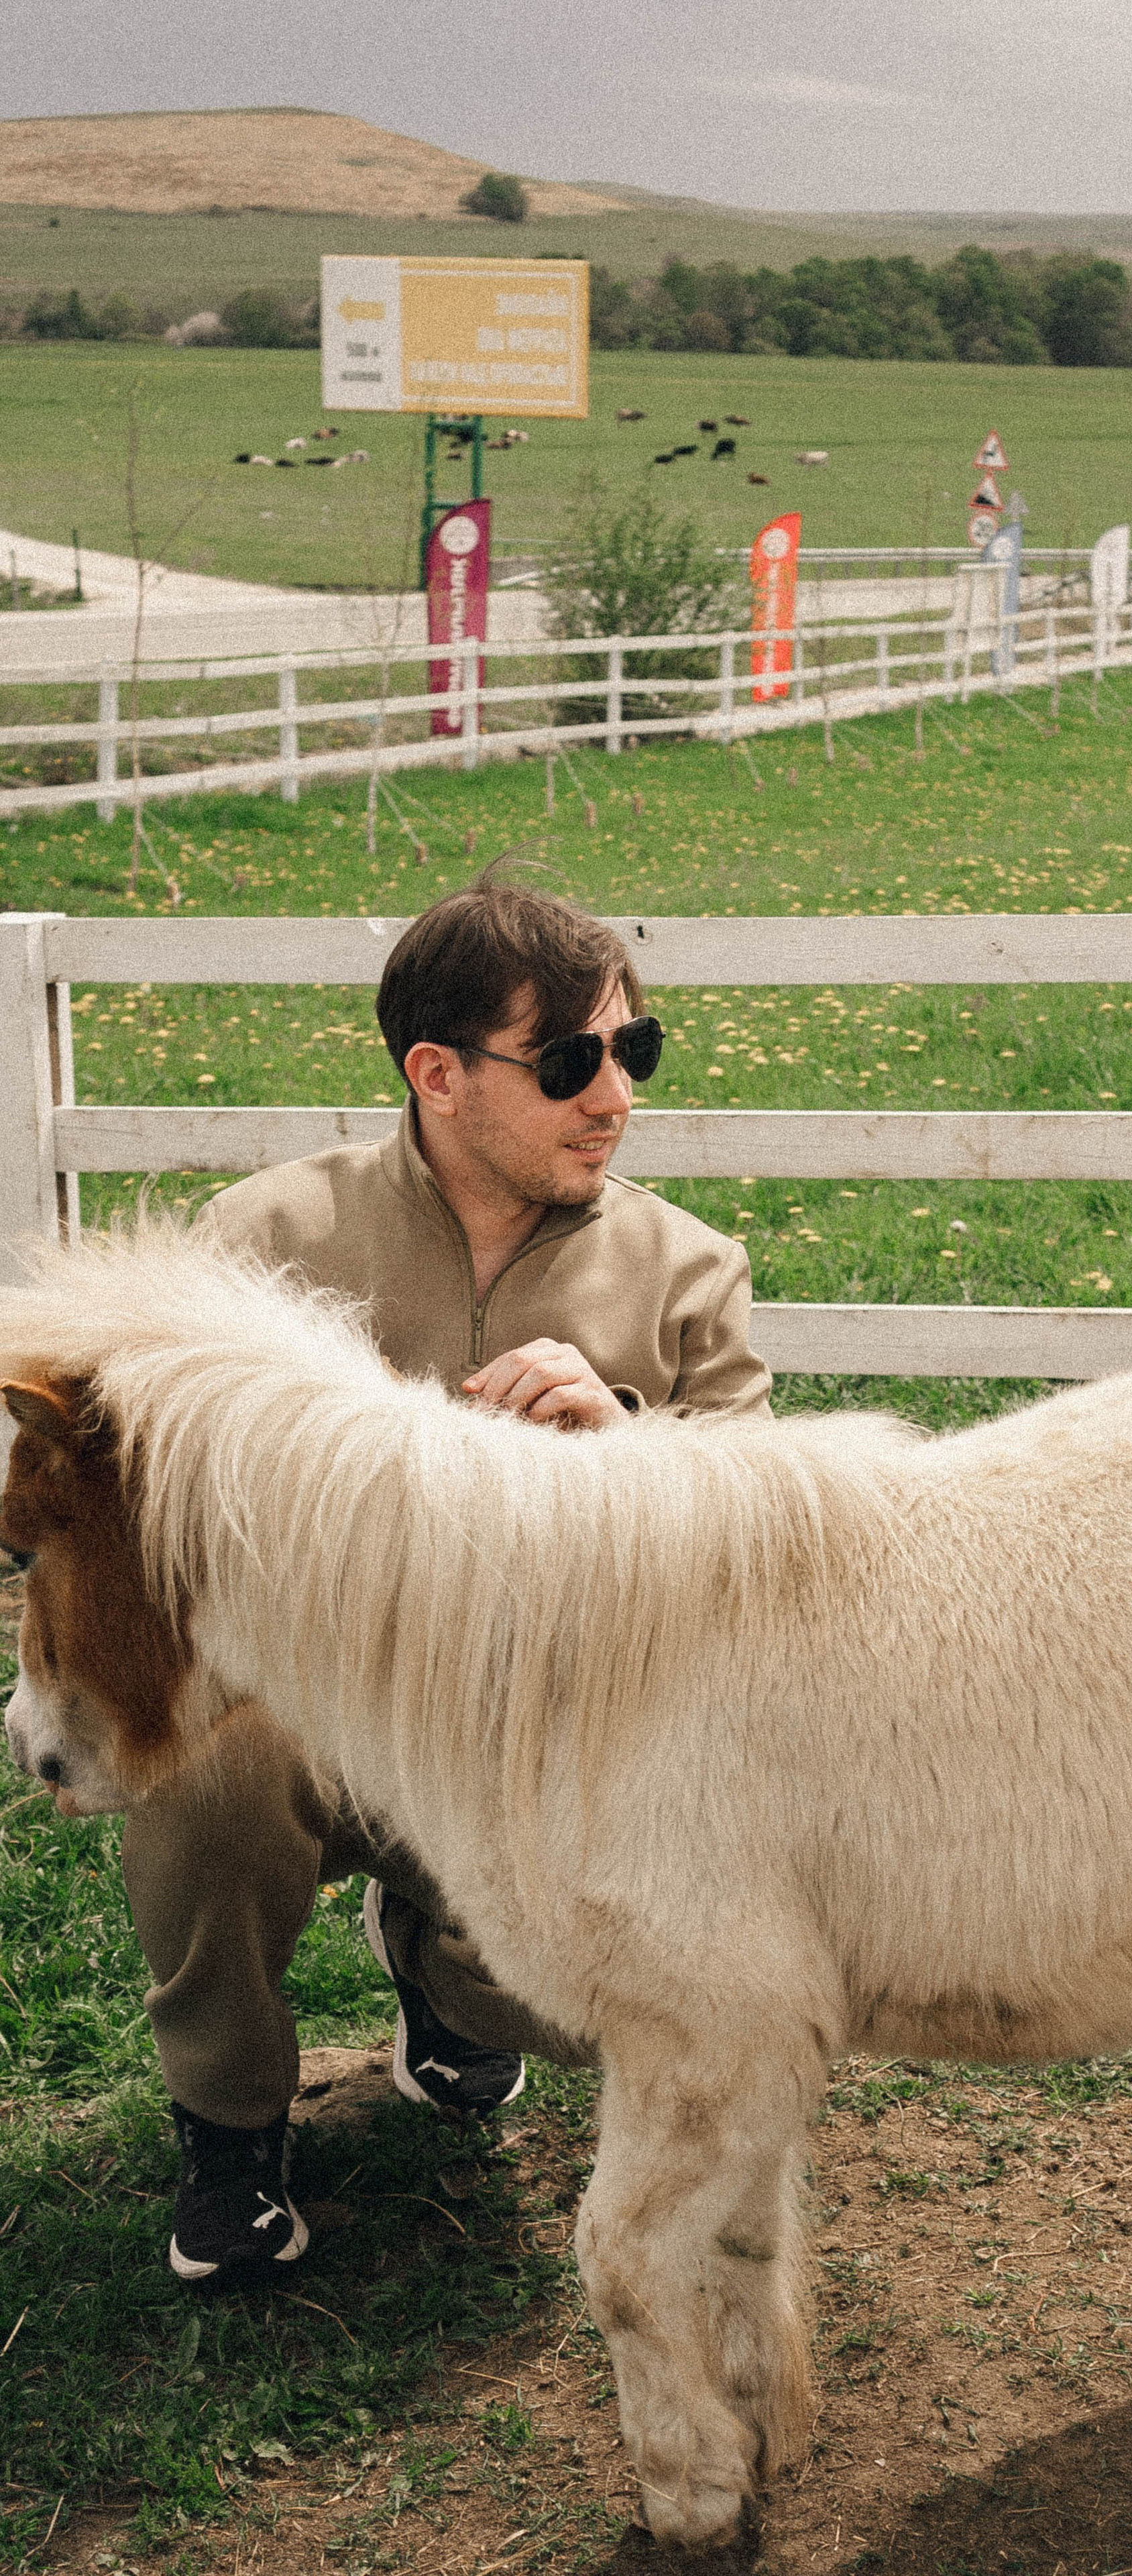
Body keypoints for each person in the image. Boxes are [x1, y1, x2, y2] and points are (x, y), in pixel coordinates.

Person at [121, 874, 771, 2284]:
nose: (614, 1099)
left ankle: (450, 1984)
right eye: (568, 1063)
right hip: (306, 1709)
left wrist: (629, 1440)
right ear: (437, 1075)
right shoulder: (260, 1244)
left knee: (596, 1993)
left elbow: (767, 1557)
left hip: (549, 1743)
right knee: (207, 1787)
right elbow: (140, 1502)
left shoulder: (683, 1274)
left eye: (633, 1053)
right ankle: (231, 2129)